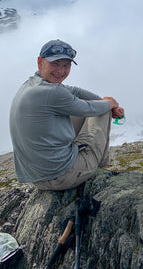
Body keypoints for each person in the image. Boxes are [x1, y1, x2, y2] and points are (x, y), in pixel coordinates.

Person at [10, 39, 125, 191]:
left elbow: (74, 91)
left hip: (38, 176)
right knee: (101, 111)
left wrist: (102, 100)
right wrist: (111, 105)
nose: (61, 71)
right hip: (61, 176)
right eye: (55, 64)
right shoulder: (51, 92)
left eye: (66, 65)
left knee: (92, 106)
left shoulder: (32, 84)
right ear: (40, 62)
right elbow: (90, 109)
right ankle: (97, 164)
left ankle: (89, 158)